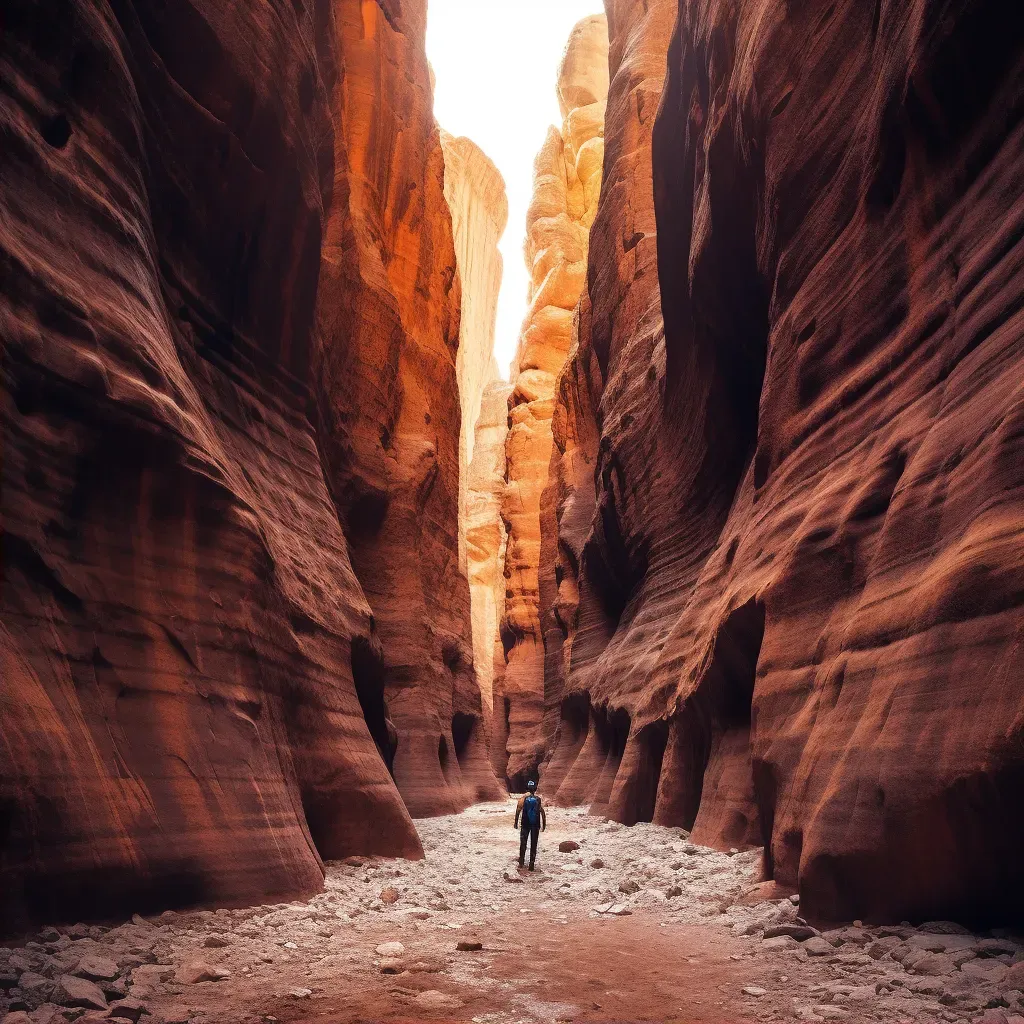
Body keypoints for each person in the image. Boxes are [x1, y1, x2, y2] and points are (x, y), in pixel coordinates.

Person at [513, 780, 546, 871]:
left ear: (527, 788)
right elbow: (542, 812)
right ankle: (531, 865)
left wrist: (516, 822)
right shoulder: (538, 799)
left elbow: (518, 811)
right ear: (534, 789)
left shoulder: (523, 799)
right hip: (535, 824)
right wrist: (544, 824)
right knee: (534, 843)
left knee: (523, 843)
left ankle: (521, 863)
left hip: (525, 823)